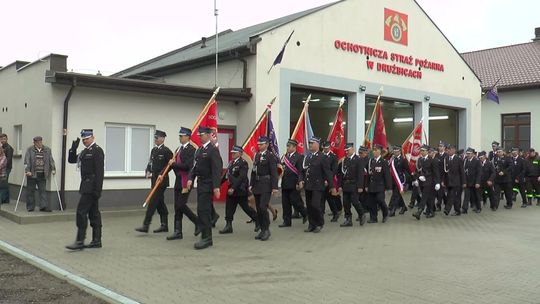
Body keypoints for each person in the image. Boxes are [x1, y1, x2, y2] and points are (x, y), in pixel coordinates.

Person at [66, 129, 104, 250]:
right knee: (94, 213)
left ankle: (80, 241)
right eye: (83, 140)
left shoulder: (97, 151)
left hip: (92, 186)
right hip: (86, 185)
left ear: (93, 137)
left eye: (86, 139)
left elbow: (99, 172)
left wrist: (98, 189)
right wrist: (73, 149)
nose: (85, 141)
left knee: (81, 212)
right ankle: (96, 240)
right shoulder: (84, 152)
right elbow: (72, 160)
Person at [187, 126, 222, 250]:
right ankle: (205, 236)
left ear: (208, 135)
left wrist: (217, 186)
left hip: (208, 184)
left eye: (201, 135)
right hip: (201, 184)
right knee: (201, 210)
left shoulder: (213, 150)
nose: (200, 137)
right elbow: (195, 167)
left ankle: (207, 238)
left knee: (204, 211)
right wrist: (191, 178)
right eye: (199, 135)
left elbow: (217, 169)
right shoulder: (199, 150)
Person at [135, 130, 173, 233]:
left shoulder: (167, 151)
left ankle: (146, 225)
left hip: (162, 180)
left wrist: (162, 174)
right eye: (155, 138)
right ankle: (164, 225)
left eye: (157, 138)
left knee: (153, 201)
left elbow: (169, 166)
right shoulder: (154, 150)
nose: (155, 140)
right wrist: (147, 170)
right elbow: (150, 162)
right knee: (160, 202)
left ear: (162, 138)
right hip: (154, 179)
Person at [165, 127, 199, 240]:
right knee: (177, 207)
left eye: (181, 136)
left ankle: (197, 221)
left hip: (186, 181)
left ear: (188, 137)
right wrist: (162, 174)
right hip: (178, 180)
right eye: (179, 136)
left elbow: (187, 166)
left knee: (181, 205)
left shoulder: (191, 150)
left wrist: (173, 164)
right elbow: (171, 165)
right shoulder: (178, 150)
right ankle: (177, 231)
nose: (180, 137)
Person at [219, 145, 258, 234]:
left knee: (246, 208)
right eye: (232, 153)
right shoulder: (231, 163)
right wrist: (218, 185)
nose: (232, 154)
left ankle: (257, 220)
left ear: (240, 153)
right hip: (231, 190)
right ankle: (228, 226)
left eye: (234, 153)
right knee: (229, 208)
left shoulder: (243, 163)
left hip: (240, 190)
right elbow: (226, 176)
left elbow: (241, 177)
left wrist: (233, 187)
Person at [303, 137, 334, 233]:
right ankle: (312, 224)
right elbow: (302, 171)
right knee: (309, 206)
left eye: (312, 143)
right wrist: (300, 180)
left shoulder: (322, 157)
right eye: (310, 143)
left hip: (317, 185)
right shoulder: (307, 157)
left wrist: (332, 186)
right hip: (308, 185)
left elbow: (328, 172)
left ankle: (319, 223)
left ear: (317, 145)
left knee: (315, 205)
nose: (310, 145)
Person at [249, 136, 278, 241]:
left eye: (261, 144)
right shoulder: (256, 155)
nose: (259, 146)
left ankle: (266, 229)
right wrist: (251, 184)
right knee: (258, 208)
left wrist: (275, 187)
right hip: (257, 184)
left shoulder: (270, 156)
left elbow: (274, 172)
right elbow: (253, 170)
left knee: (262, 207)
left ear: (266, 144)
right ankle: (262, 229)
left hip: (266, 184)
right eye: (258, 144)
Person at [279, 139, 307, 227]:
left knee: (295, 201)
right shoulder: (284, 157)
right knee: (285, 203)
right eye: (287, 146)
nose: (287, 147)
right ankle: (286, 221)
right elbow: (281, 168)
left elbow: (300, 171)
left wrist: (299, 181)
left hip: (294, 183)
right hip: (285, 183)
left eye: (289, 146)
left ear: (294, 147)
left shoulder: (299, 157)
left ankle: (305, 213)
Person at [337, 143, 367, 227]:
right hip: (345, 185)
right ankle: (348, 219)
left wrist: (360, 186)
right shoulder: (344, 160)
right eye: (345, 150)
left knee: (355, 202)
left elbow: (360, 174)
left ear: (352, 149)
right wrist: (339, 185)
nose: (346, 152)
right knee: (346, 203)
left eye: (348, 150)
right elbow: (341, 175)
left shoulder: (358, 159)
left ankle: (361, 214)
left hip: (354, 184)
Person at [24, 136, 56, 212]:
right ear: (34, 143)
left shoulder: (47, 150)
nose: (39, 143)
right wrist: (27, 170)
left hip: (42, 173)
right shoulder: (30, 150)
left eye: (40, 142)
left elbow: (51, 160)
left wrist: (53, 168)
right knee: (30, 191)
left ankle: (43, 206)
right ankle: (30, 207)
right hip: (32, 173)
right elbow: (27, 161)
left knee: (43, 191)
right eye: (38, 142)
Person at [413, 146, 440, 220]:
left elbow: (436, 172)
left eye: (424, 151)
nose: (422, 152)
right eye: (421, 150)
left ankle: (419, 211)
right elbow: (416, 171)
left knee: (424, 196)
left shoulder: (432, 160)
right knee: (429, 198)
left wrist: (437, 183)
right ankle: (431, 211)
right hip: (422, 181)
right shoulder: (420, 160)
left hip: (430, 181)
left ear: (427, 151)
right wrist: (417, 178)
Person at [366, 144, 392, 223]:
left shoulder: (383, 162)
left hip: (380, 185)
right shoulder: (371, 161)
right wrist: (367, 185)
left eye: (376, 150)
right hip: (371, 185)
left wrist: (389, 188)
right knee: (371, 202)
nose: (374, 152)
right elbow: (368, 175)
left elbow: (387, 175)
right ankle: (373, 218)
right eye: (373, 150)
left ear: (380, 151)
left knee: (380, 200)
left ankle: (385, 213)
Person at [321, 141, 342, 222]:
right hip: (320, 180)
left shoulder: (333, 157)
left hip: (329, 180)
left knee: (330, 198)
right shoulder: (320, 155)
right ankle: (321, 215)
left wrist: (328, 180)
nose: (325, 149)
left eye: (326, 148)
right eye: (324, 148)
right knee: (321, 199)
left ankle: (335, 213)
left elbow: (334, 170)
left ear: (329, 147)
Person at [442, 144, 465, 216]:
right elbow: (444, 171)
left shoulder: (458, 159)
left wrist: (464, 182)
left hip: (457, 181)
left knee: (452, 195)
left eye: (449, 150)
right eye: (447, 150)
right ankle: (457, 211)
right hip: (448, 181)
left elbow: (462, 171)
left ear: (454, 150)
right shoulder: (446, 158)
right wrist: (443, 181)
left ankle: (447, 209)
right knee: (454, 197)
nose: (448, 151)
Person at [388, 145, 410, 216]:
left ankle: (392, 210)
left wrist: (412, 179)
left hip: (400, 180)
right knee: (397, 194)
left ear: (400, 151)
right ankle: (403, 207)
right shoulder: (392, 159)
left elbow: (407, 170)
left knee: (396, 195)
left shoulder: (403, 159)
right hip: (393, 180)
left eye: (396, 151)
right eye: (394, 151)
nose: (395, 152)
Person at [463, 148, 482, 213]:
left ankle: (478, 207)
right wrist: (464, 182)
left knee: (476, 195)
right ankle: (464, 209)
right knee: (466, 195)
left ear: (473, 154)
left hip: (474, 182)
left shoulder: (477, 161)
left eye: (469, 154)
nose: (468, 155)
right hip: (467, 181)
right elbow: (464, 172)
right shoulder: (465, 161)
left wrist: (477, 182)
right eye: (467, 153)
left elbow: (479, 173)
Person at [0, 134, 13, 204]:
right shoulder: (1, 147)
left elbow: (8, 159)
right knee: (5, 183)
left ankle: (3, 199)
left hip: (7, 168)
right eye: (1, 139)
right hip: (2, 168)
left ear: (7, 139)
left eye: (4, 139)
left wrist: (3, 166)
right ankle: (6, 199)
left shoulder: (9, 148)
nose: (3, 140)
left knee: (3, 183)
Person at [435, 141, 448, 211]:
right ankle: (445, 202)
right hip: (437, 176)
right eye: (439, 146)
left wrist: (444, 179)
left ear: (444, 148)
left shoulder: (446, 155)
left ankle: (438, 205)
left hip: (444, 176)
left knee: (440, 191)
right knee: (439, 191)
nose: (440, 148)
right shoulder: (436, 155)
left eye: (442, 146)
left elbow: (447, 168)